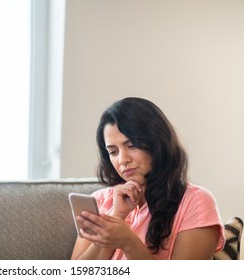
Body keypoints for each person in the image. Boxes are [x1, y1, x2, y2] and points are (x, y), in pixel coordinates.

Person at [71, 97, 225, 260]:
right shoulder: (100, 200)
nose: (122, 160)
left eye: (131, 145)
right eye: (113, 152)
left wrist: (128, 242)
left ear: (157, 142)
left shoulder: (196, 201)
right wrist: (116, 217)